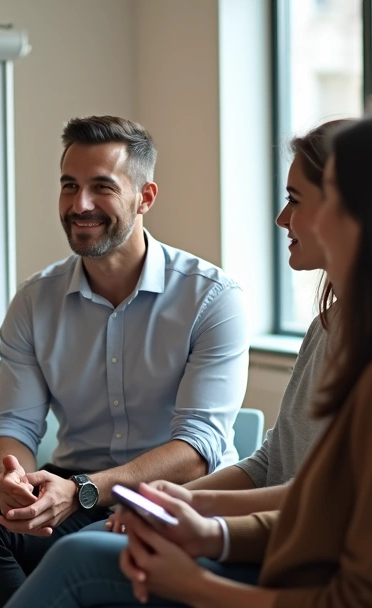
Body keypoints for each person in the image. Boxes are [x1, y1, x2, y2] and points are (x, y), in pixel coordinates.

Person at [0, 105, 372, 608]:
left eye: (305, 200)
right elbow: (323, 501)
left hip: (303, 600)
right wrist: (200, 518)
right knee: (69, 555)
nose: (283, 219)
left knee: (82, 579)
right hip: (295, 570)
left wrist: (196, 580)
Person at [0, 115, 251, 608]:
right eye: (69, 186)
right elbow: (13, 426)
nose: (79, 204)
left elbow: (198, 449)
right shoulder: (34, 301)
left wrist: (85, 490)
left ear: (145, 197)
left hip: (175, 498)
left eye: (101, 187)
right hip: (74, 488)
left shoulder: (211, 298)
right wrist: (10, 480)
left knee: (86, 546)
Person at [106, 119, 348, 527]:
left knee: (83, 552)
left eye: (295, 200)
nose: (282, 218)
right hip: (261, 533)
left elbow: (325, 500)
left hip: (286, 546)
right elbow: (271, 463)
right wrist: (175, 500)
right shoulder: (325, 326)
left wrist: (197, 517)